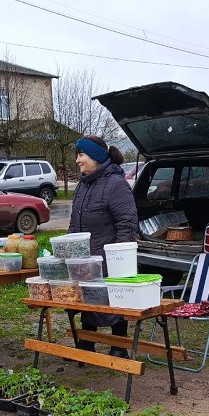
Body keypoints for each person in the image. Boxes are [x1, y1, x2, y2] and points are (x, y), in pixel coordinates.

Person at [69, 135, 139, 358]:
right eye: (77, 155)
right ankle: (87, 343)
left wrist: (119, 258)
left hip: (109, 256)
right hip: (86, 257)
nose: (78, 160)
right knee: (88, 297)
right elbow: (74, 221)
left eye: (81, 155)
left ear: (97, 158)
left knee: (114, 301)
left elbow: (127, 223)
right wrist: (69, 249)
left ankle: (119, 347)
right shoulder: (83, 184)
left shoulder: (115, 184)